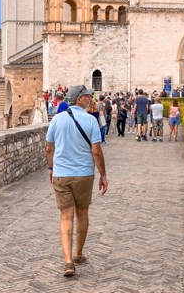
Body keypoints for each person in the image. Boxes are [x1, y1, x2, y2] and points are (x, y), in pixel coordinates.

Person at [46, 85, 108, 277]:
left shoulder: (56, 120)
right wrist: (103, 175)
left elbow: (49, 148)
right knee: (82, 213)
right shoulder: (90, 121)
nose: (90, 98)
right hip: (83, 175)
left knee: (65, 217)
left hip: (61, 175)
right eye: (88, 96)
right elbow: (96, 151)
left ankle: (68, 261)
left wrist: (50, 168)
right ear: (79, 99)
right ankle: (78, 254)